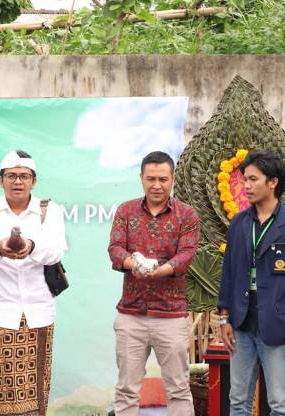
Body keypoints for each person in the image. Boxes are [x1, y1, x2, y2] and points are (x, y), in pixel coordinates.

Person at [217, 150, 285, 416]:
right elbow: (228, 273)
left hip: (278, 323)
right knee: (238, 400)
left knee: (279, 404)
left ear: (273, 182)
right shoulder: (239, 223)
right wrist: (224, 319)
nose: (246, 186)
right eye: (245, 180)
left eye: (253, 179)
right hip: (241, 322)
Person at [0, 150, 66, 416]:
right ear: (0, 180)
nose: (18, 181)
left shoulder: (50, 210)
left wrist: (31, 246)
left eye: (24, 176)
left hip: (38, 312)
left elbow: (56, 251)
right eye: (11, 176)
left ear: (34, 181)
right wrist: (0, 248)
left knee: (35, 389)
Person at [108, 151, 199, 416]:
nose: (156, 185)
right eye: (150, 179)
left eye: (162, 179)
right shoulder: (125, 211)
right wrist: (132, 264)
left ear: (173, 179)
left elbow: (186, 255)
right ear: (141, 178)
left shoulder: (187, 214)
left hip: (171, 316)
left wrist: (159, 271)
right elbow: (115, 248)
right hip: (131, 315)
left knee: (179, 388)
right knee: (126, 389)